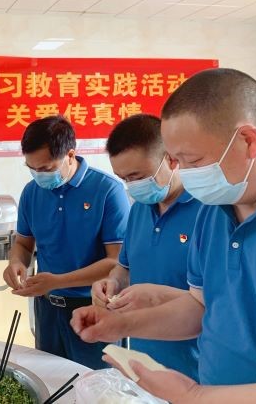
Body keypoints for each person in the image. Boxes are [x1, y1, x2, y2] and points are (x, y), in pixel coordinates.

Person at [71, 68, 256, 402]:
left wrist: (196, 396)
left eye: (192, 161)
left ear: (248, 141)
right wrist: (120, 325)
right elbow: (201, 307)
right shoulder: (215, 209)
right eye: (176, 160)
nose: (186, 176)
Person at [3, 115, 130, 369]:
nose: (39, 176)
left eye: (46, 168)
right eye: (32, 168)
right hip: (48, 310)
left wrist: (57, 281)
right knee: (50, 379)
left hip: (94, 307)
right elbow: (24, 244)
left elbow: (116, 262)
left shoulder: (107, 191)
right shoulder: (31, 192)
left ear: (70, 155)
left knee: (95, 383)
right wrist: (16, 262)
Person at [93, 113, 200, 380]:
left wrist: (155, 296)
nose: (132, 186)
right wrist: (111, 284)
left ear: (171, 160)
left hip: (194, 366)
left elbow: (217, 302)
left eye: (137, 176)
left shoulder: (209, 211)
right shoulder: (140, 209)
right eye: (124, 179)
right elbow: (124, 268)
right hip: (143, 358)